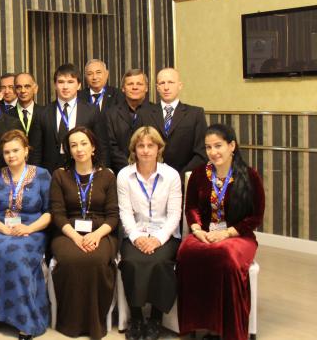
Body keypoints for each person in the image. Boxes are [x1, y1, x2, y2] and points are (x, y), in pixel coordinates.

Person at [177, 124, 265, 340]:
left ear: (232, 146)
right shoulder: (199, 174)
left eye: (218, 146)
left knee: (224, 256)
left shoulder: (249, 176)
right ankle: (197, 324)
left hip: (238, 236)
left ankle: (226, 328)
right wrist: (197, 231)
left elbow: (256, 217)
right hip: (204, 233)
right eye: (208, 147)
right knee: (186, 254)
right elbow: (191, 209)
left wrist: (226, 234)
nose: (213, 152)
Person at [0, 129, 51, 340]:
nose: (11, 155)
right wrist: (2, 228)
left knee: (17, 254)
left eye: (16, 150)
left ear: (26, 150)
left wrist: (29, 228)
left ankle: (25, 319)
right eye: (7, 152)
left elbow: (49, 213)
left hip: (31, 229)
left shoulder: (42, 174)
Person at [49, 126, 119, 339]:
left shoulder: (107, 176)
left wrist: (96, 236)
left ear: (93, 146)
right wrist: (77, 238)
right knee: (70, 259)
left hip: (102, 232)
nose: (79, 149)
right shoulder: (60, 175)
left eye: (83, 143)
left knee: (96, 260)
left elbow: (113, 215)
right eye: (73, 145)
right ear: (68, 150)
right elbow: (58, 214)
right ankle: (70, 322)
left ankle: (95, 323)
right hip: (68, 231)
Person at [116, 127, 182, 340]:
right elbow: (125, 213)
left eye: (150, 145)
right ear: (134, 149)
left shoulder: (171, 175)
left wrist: (157, 239)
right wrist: (137, 238)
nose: (145, 150)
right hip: (135, 233)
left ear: (159, 148)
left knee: (160, 263)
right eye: (141, 146)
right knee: (131, 262)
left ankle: (155, 319)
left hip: (165, 235)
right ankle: (136, 318)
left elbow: (174, 215)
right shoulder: (124, 175)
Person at [136, 68, 207, 174]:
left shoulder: (195, 114)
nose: (166, 87)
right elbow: (137, 147)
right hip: (151, 178)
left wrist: (180, 177)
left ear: (180, 86)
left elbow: (201, 152)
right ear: (157, 88)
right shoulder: (144, 113)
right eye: (162, 83)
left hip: (184, 178)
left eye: (171, 82)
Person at [39, 63, 108, 171]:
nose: (65, 87)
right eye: (61, 82)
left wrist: (101, 169)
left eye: (70, 82)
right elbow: (36, 151)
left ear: (79, 85)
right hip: (50, 172)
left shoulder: (91, 111)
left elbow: (101, 145)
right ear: (55, 85)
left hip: (83, 169)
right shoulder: (43, 113)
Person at [105, 69, 151, 173]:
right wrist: (129, 168)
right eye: (130, 84)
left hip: (151, 172)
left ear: (146, 88)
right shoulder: (111, 113)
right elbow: (111, 146)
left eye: (139, 84)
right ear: (123, 88)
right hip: (120, 172)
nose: (135, 87)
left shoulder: (156, 112)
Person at [12, 72, 47, 167]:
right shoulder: (7, 116)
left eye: (27, 86)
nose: (23, 90)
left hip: (41, 169)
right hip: (15, 169)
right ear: (15, 90)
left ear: (35, 89)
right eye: (19, 87)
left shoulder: (45, 113)